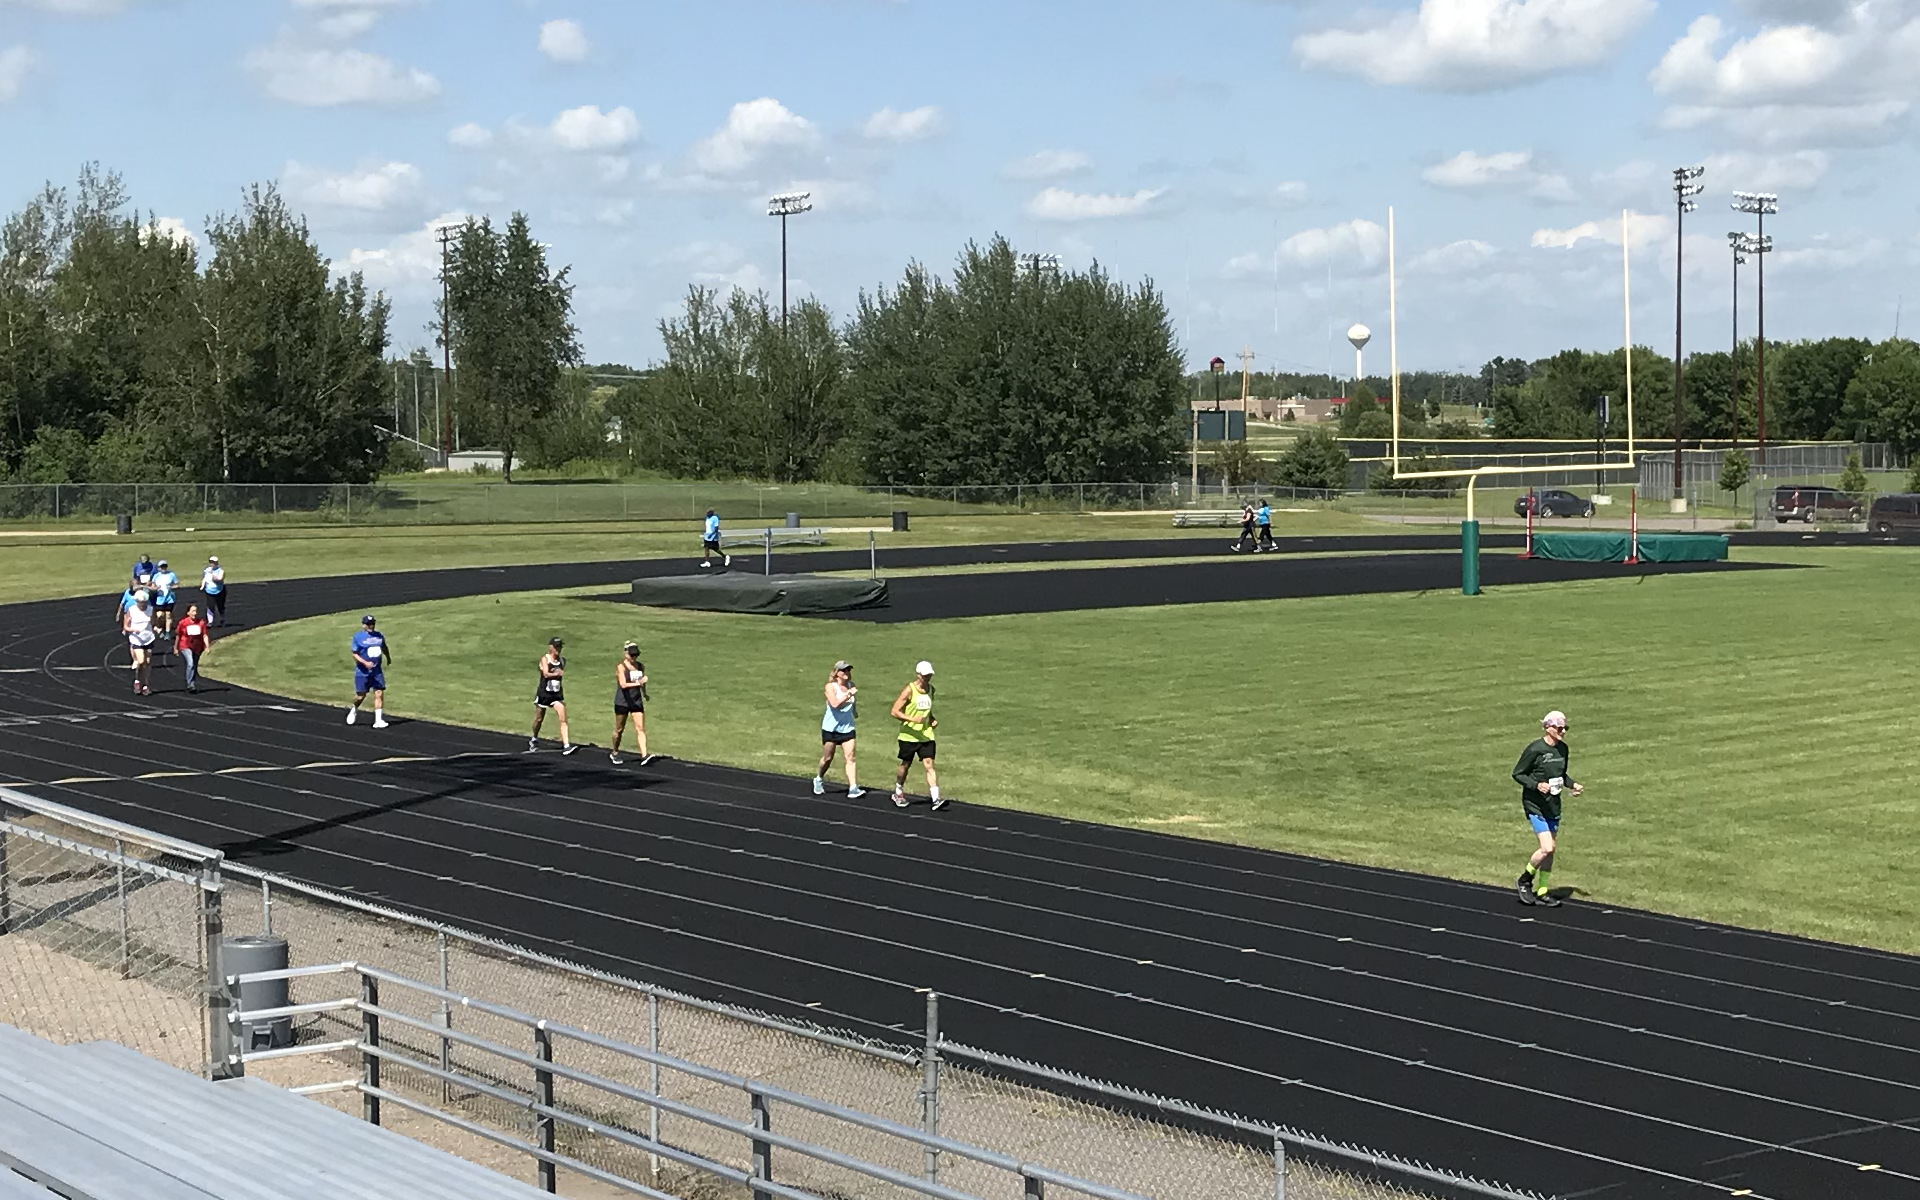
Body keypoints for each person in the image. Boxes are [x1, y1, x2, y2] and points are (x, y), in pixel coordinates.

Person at [1514, 710, 1583, 908]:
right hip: (1535, 804)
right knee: (1547, 847)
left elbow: (1561, 775)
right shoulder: (1535, 749)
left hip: (1553, 805)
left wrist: (1573, 785)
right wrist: (1536, 785)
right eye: (1559, 728)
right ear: (1547, 727)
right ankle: (1525, 880)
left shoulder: (1563, 750)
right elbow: (1518, 773)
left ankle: (1543, 890)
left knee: (1551, 852)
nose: (1563, 732)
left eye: (1565, 728)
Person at [890, 660, 944, 811]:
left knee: (929, 764)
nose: (928, 678)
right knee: (905, 764)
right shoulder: (909, 690)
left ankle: (936, 798)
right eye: (925, 675)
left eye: (929, 675)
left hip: (926, 735)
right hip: (909, 735)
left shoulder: (931, 690)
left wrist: (931, 719)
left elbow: (928, 710)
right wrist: (912, 719)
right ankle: (898, 791)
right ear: (918, 675)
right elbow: (894, 711)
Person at [813, 660, 864, 798]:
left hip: (847, 728)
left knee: (850, 757)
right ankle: (818, 778)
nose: (847, 673)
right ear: (837, 673)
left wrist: (854, 711)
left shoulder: (851, 686)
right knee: (828, 758)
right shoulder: (830, 687)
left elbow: (852, 703)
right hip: (831, 728)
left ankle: (853, 787)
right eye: (844, 671)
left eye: (848, 670)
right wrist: (848, 695)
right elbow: (834, 704)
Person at [529, 637, 576, 755]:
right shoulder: (545, 659)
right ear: (550, 647)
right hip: (544, 693)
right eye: (556, 647)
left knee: (563, 718)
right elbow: (545, 673)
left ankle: (566, 745)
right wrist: (556, 673)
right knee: (539, 719)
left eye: (560, 647)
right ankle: (534, 738)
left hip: (556, 695)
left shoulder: (562, 660)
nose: (558, 649)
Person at [609, 642, 654, 765]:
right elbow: (623, 684)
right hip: (622, 701)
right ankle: (614, 752)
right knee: (619, 729)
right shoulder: (621, 667)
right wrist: (639, 683)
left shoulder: (640, 666)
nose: (634, 658)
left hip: (636, 701)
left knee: (640, 728)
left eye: (636, 655)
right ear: (626, 654)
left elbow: (643, 682)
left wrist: (644, 693)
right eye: (632, 655)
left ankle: (644, 755)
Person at [347, 614, 391, 729]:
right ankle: (354, 709)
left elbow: (384, 647)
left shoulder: (379, 636)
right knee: (360, 696)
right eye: (368, 624)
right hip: (363, 672)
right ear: (363, 625)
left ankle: (378, 720)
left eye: (373, 624)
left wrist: (388, 657)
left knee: (379, 693)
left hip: (376, 671)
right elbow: (354, 653)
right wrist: (365, 663)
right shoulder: (358, 637)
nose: (371, 626)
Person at [121, 588, 157, 696]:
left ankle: (146, 684)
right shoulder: (131, 610)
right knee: (141, 661)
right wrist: (133, 630)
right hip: (136, 639)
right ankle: (137, 680)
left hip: (148, 638)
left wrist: (156, 628)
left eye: (144, 602)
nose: (143, 605)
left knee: (147, 663)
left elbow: (154, 622)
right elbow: (126, 626)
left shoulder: (150, 609)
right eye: (141, 603)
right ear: (137, 602)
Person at [174, 604, 211, 693]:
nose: (195, 613)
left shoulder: (201, 623)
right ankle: (190, 684)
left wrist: (207, 646)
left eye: (196, 611)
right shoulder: (183, 623)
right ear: (188, 613)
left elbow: (204, 635)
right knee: (190, 663)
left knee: (194, 664)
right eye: (193, 611)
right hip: (185, 645)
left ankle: (192, 682)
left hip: (197, 647)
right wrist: (175, 647)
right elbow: (178, 635)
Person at [150, 559, 179, 637]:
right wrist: (156, 588)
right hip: (160, 599)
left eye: (165, 566)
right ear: (159, 568)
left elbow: (177, 585)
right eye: (162, 567)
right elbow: (152, 586)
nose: (163, 568)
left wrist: (171, 587)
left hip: (169, 598)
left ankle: (167, 633)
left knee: (168, 615)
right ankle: (159, 628)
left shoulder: (171, 575)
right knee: (160, 615)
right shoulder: (156, 576)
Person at [200, 556, 228, 627]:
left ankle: (222, 618)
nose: (212, 564)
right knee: (210, 606)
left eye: (214, 562)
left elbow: (219, 579)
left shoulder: (220, 571)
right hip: (209, 590)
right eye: (211, 562)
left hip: (219, 590)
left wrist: (212, 574)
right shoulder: (206, 570)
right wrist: (202, 586)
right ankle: (210, 622)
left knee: (220, 606)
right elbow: (204, 578)